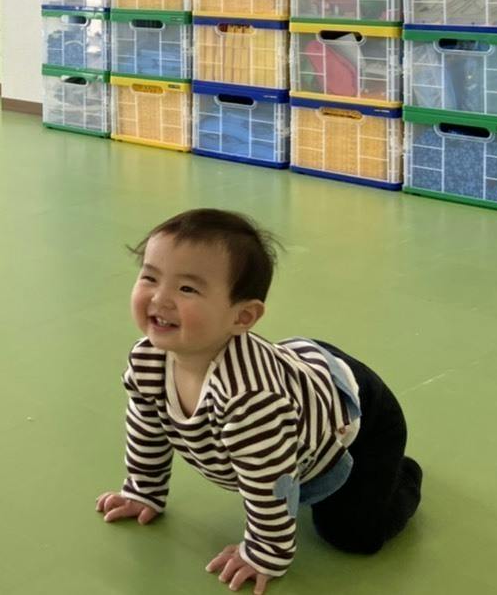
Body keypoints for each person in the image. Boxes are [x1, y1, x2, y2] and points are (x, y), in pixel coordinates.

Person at [94, 208, 421, 592]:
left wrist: (265, 551)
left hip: (362, 415)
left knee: (352, 535)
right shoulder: (148, 359)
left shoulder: (251, 402)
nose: (160, 298)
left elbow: (272, 480)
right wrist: (143, 489)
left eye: (187, 289)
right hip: (301, 376)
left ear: (243, 317)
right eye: (150, 277)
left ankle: (402, 475)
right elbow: (147, 428)